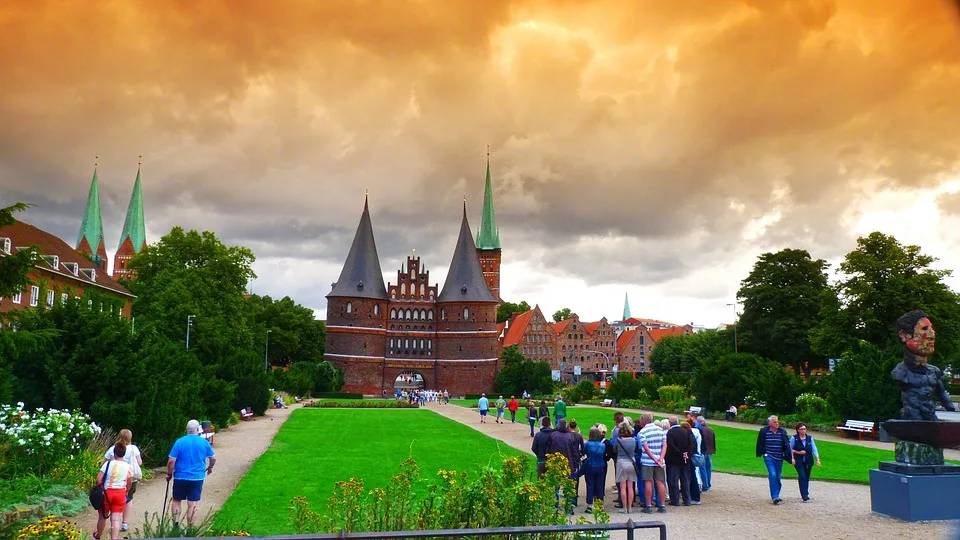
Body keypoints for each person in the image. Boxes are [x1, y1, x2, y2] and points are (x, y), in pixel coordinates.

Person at [891, 310, 956, 419]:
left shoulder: (934, 371)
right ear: (904, 335)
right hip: (912, 416)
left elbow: (941, 392)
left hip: (930, 415)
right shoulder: (900, 371)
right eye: (924, 329)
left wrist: (949, 405)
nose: (932, 334)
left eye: (932, 329)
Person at [167, 419, 217, 528]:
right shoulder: (204, 442)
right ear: (198, 429)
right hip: (197, 477)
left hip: (180, 476)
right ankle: (190, 529)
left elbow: (171, 461)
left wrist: (169, 473)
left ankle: (175, 526)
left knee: (176, 500)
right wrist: (210, 467)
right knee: (192, 503)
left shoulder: (179, 442)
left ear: (187, 430)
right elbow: (213, 458)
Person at [100, 429, 142, 534]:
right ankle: (124, 522)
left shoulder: (112, 449)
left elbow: (103, 463)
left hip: (112, 480)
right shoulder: (133, 448)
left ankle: (109, 524)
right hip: (129, 478)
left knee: (109, 503)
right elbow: (139, 462)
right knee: (128, 498)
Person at [94, 442, 133, 540]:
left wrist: (100, 487)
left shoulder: (108, 464)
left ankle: (98, 535)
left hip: (107, 492)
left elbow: (99, 479)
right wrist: (126, 490)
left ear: (114, 453)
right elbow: (129, 481)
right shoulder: (128, 466)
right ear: (124, 454)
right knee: (115, 519)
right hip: (120, 493)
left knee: (102, 516)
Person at [755, 415, 793, 505]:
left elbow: (787, 444)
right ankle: (775, 496)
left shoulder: (782, 432)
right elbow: (760, 443)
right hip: (769, 456)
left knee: (778, 477)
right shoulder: (764, 431)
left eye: (777, 422)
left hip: (779, 457)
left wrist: (788, 456)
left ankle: (777, 494)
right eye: (775, 422)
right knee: (772, 474)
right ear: (770, 423)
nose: (777, 423)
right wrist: (764, 453)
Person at [547, 418, 583, 513]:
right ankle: (568, 506)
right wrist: (575, 465)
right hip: (568, 463)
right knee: (568, 486)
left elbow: (548, 450)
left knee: (556, 485)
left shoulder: (553, 435)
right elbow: (574, 452)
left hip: (556, 463)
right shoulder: (569, 436)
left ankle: (555, 504)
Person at [637, 413, 667, 514]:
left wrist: (654, 458)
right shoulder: (661, 430)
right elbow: (664, 445)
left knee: (648, 482)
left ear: (644, 421)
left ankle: (648, 506)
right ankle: (662, 506)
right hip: (660, 460)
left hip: (648, 461)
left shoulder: (643, 432)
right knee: (660, 482)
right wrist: (660, 458)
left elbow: (645, 448)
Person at [665, 416, 693, 507]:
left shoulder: (670, 433)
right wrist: (686, 453)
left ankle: (675, 500)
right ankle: (687, 499)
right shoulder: (686, 431)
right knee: (685, 480)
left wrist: (680, 453)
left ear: (670, 423)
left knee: (673, 480)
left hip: (673, 460)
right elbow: (691, 444)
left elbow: (671, 446)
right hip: (685, 459)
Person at [790, 423, 821, 502]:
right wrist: (796, 454)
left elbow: (814, 449)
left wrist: (817, 459)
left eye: (804, 429)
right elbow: (789, 449)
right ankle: (805, 495)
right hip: (798, 460)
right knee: (802, 475)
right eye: (801, 429)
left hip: (808, 460)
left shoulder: (810, 438)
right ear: (798, 430)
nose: (803, 430)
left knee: (806, 477)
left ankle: (805, 493)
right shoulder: (794, 438)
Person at [613, 422, 638, 514]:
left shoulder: (618, 441)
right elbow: (635, 449)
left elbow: (614, 450)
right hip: (631, 463)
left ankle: (624, 507)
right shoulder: (633, 440)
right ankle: (630, 507)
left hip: (621, 462)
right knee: (630, 487)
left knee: (623, 487)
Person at [582, 426, 607, 514]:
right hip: (600, 466)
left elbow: (583, 452)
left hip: (590, 466)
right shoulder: (602, 445)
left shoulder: (587, 444)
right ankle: (600, 505)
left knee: (590, 485)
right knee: (600, 485)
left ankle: (590, 505)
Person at [698, 416, 716, 492]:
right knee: (708, 469)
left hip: (703, 451)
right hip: (710, 451)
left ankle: (705, 485)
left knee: (702, 468)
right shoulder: (711, 429)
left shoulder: (700, 430)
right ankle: (708, 484)